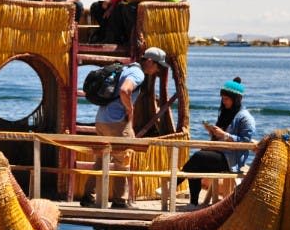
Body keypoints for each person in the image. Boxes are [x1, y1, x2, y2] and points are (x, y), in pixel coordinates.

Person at [81, 47, 168, 208]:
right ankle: (119, 201)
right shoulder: (138, 73)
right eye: (158, 66)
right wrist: (130, 109)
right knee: (123, 160)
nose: (157, 70)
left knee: (100, 159)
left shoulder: (126, 68)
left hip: (101, 120)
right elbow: (124, 90)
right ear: (149, 61)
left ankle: (88, 196)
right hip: (116, 122)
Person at [178, 77, 256, 208]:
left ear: (235, 99)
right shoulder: (226, 113)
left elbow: (245, 141)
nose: (223, 102)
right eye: (222, 99)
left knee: (198, 157)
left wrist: (224, 135)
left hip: (232, 160)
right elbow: (221, 137)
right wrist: (213, 132)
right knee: (196, 164)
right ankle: (193, 202)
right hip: (220, 153)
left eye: (226, 99)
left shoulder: (246, 118)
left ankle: (175, 183)